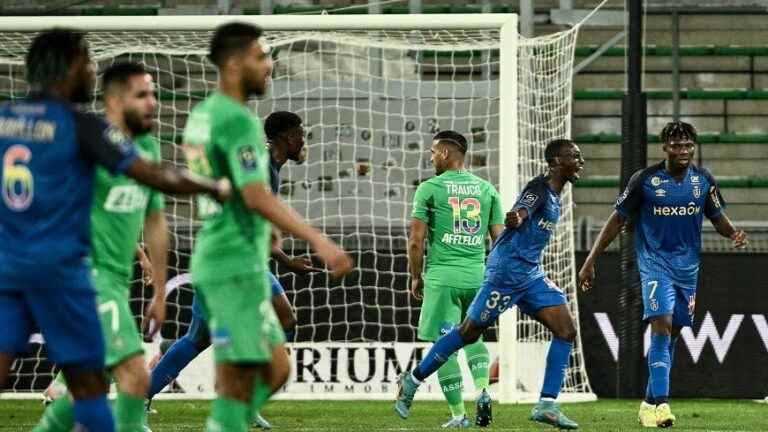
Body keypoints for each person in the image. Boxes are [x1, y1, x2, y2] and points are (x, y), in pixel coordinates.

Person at [0, 29, 228, 432]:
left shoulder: (6, 119)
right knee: (115, 380)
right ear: (70, 66)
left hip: (12, 268)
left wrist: (156, 286)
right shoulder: (82, 127)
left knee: (89, 383)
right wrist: (215, 186)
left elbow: (152, 204)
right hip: (69, 273)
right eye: (87, 62)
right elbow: (157, 177)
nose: (91, 70)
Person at [181, 22, 352, 432]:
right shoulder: (236, 121)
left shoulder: (203, 116)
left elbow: (226, 192)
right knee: (251, 375)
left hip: (231, 254)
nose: (270, 64)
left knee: (271, 370)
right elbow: (258, 197)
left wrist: (268, 236)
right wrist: (319, 241)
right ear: (236, 62)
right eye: (261, 56)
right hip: (231, 262)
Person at [145, 110, 320, 430]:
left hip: (237, 258)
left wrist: (284, 260)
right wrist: (290, 259)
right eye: (301, 134)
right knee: (271, 321)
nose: (304, 141)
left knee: (203, 337)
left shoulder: (270, 165)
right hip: (228, 259)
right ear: (288, 138)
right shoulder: (262, 165)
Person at [395, 138, 585, 430]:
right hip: (506, 272)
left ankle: (547, 404)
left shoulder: (557, 194)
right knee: (468, 333)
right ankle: (413, 380)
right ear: (558, 161)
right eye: (575, 156)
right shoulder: (539, 188)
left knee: (566, 329)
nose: (580, 162)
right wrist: (515, 217)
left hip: (530, 273)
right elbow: (520, 211)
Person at [578, 121, 747, 428]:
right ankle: (664, 405)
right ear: (665, 147)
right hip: (655, 264)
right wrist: (590, 261)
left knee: (672, 333)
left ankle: (647, 404)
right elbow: (616, 221)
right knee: (662, 322)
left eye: (687, 145)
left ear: (693, 147)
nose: (682, 151)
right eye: (676, 145)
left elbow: (717, 217)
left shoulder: (703, 181)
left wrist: (733, 233)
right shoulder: (645, 180)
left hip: (688, 269)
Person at [36, 61, 174, 432]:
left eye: (155, 94)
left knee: (92, 386)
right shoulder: (84, 146)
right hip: (84, 277)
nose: (153, 103)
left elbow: (154, 219)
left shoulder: (147, 147)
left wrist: (160, 290)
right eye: (142, 95)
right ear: (114, 99)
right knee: (133, 376)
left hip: (113, 279)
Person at [408, 130, 504, 427]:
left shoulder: (429, 188)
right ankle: (484, 390)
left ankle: (459, 414)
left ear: (447, 154)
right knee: (473, 334)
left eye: (434, 152)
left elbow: (415, 241)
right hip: (478, 276)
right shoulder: (487, 189)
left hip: (443, 277)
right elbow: (500, 240)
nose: (431, 157)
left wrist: (415, 278)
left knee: (445, 342)